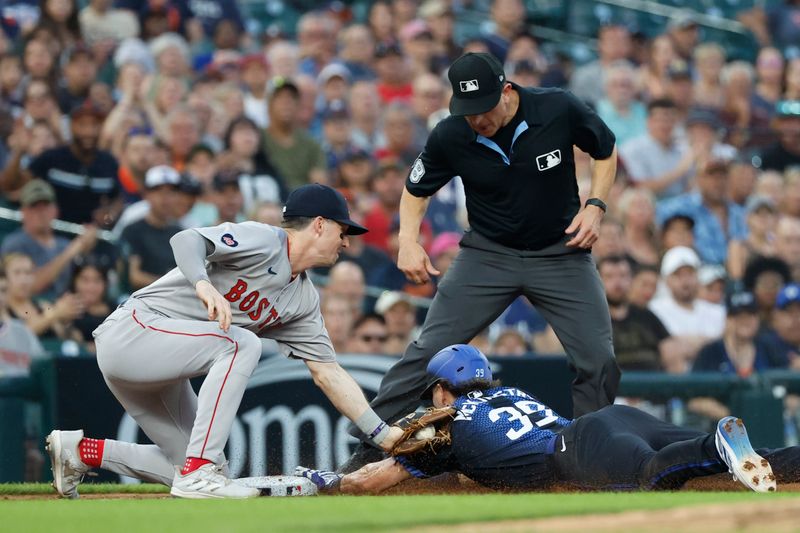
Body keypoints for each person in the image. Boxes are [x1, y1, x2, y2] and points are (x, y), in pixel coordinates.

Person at [343, 52, 621, 470]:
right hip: (488, 255)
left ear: (506, 91)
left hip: (560, 252)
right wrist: (408, 241)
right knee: (427, 352)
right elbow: (416, 190)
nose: (477, 119)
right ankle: (372, 445)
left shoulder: (556, 107)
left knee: (598, 358)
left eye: (484, 109)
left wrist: (596, 205)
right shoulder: (451, 134)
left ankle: (591, 457)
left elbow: (606, 149)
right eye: (468, 110)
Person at [45, 184, 403, 500]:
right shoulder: (265, 240)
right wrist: (202, 283)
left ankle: (79, 451)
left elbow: (328, 373)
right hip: (133, 332)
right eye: (343, 230)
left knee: (206, 469)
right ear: (320, 224)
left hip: (163, 364)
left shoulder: (303, 301)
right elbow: (185, 240)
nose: (347, 241)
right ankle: (199, 470)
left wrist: (383, 434)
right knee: (241, 344)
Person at [300, 344, 798, 493]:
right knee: (762, 460)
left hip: (577, 450)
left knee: (652, 474)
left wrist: (329, 483)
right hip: (617, 418)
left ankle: (713, 446)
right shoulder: (509, 392)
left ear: (440, 388)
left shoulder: (445, 427)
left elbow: (373, 478)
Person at [0, 179, 97, 300]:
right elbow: (30, 287)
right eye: (34, 206)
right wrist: (72, 250)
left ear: (55, 210)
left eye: (45, 206)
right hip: (30, 310)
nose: (41, 212)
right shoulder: (14, 243)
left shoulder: (63, 244)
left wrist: (85, 249)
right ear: (23, 211)